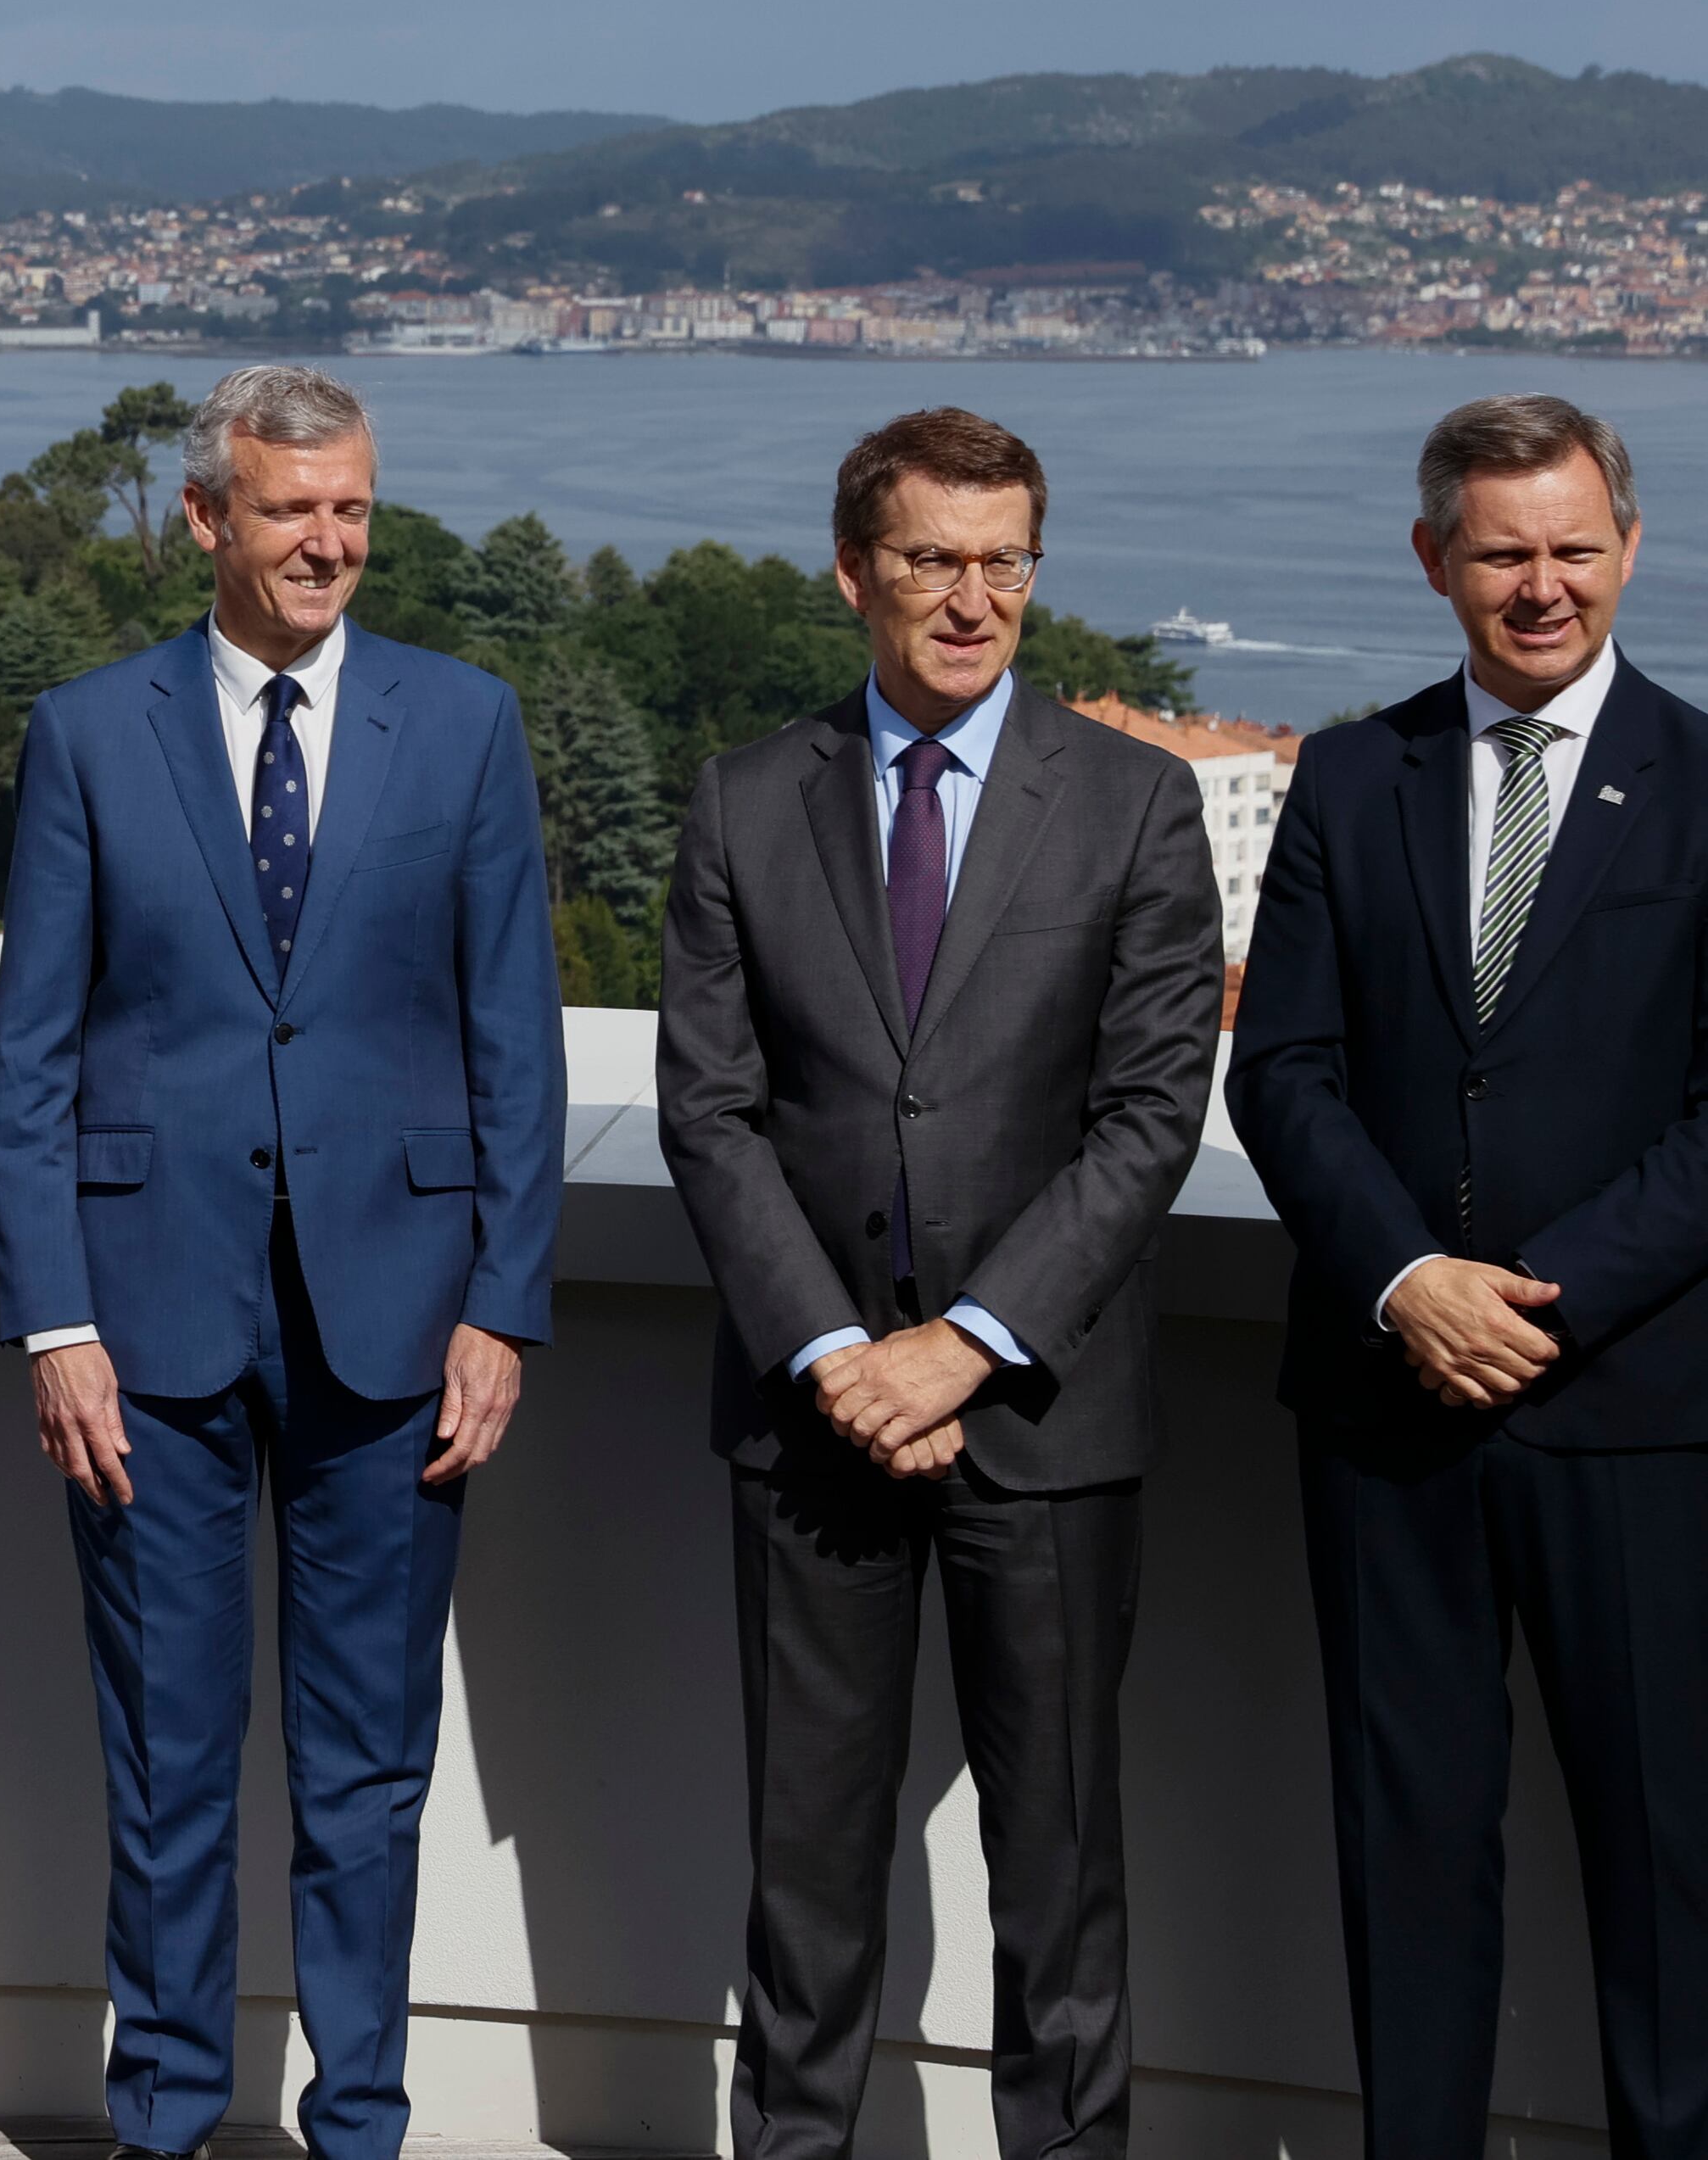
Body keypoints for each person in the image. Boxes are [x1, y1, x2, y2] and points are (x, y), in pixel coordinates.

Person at [0, 361, 559, 2160]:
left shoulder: (461, 724)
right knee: (163, 1763)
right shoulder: (89, 729)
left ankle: (358, 2123)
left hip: (398, 1324)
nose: (329, 542)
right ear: (205, 518)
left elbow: (513, 1045)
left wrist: (501, 1305)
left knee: (366, 1771)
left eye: (353, 509)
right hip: (144, 1322)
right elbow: (37, 1058)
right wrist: (55, 1317)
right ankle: (158, 2116)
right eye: (294, 509)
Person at [656, 408, 1220, 2160]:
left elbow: (1147, 1115)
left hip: (1043, 1419)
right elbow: (710, 1104)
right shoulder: (748, 799)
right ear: (854, 572)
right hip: (809, 1418)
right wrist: (838, 1349)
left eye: (1003, 561)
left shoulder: (1133, 800)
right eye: (930, 559)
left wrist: (960, 1348)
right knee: (803, 1878)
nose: (971, 598)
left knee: (1057, 1886)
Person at [1229, 392, 1708, 2160]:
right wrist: (1409, 1277)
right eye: (1500, 550)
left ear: (1628, 549)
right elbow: (1278, 1065)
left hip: (1636, 1409)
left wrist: (1534, 1296)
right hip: (1387, 1406)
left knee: (1666, 1868)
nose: (1540, 585)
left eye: (1573, 547)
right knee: (1404, 1842)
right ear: (1432, 559)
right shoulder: (1353, 774)